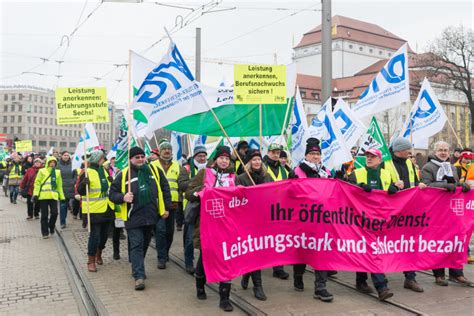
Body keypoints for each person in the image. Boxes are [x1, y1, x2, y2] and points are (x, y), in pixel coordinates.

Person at [109, 147, 171, 290]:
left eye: (142, 156)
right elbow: (112, 193)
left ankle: (137, 267)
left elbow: (165, 188)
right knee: (136, 244)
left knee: (144, 244)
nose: (141, 159)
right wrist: (122, 197)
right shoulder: (123, 174)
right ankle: (139, 276)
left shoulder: (154, 171)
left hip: (151, 216)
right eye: (137, 157)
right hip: (133, 216)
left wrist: (166, 207)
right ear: (131, 159)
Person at [186, 146, 235, 312]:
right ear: (215, 160)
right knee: (206, 256)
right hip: (207, 224)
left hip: (227, 225)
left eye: (227, 158)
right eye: (221, 158)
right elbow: (188, 193)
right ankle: (200, 285)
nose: (224, 161)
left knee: (226, 258)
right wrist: (203, 191)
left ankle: (224, 298)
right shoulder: (205, 173)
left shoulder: (234, 177)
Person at [348, 148, 401, 301]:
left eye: (372, 157)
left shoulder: (386, 173)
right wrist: (358, 188)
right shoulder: (357, 173)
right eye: (367, 157)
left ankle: (361, 281)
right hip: (360, 219)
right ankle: (382, 287)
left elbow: (394, 189)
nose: (369, 159)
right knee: (372, 251)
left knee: (366, 250)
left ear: (379, 159)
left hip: (381, 219)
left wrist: (395, 188)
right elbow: (345, 189)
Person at [421, 141, 474, 286]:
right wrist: (445, 186)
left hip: (452, 212)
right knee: (438, 243)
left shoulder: (451, 167)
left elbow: (454, 184)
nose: (443, 152)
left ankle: (457, 273)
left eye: (445, 150)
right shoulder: (428, 167)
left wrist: (461, 186)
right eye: (440, 150)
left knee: (455, 242)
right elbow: (427, 185)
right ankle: (439, 275)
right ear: (435, 151)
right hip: (436, 212)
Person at [289, 138, 334, 302]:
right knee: (303, 250)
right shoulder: (298, 171)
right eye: (312, 154)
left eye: (317, 154)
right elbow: (291, 194)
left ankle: (320, 287)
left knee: (322, 251)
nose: (315, 157)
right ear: (306, 155)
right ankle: (298, 275)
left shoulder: (326, 172)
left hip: (324, 219)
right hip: (304, 219)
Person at [385, 137, 427, 293]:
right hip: (390, 210)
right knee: (385, 243)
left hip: (408, 210)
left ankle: (410, 278)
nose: (411, 152)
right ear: (400, 150)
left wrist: (418, 185)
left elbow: (413, 182)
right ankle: (380, 276)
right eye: (408, 149)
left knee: (409, 243)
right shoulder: (386, 163)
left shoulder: (409, 163)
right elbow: (383, 184)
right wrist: (392, 187)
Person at [235, 149, 272, 301]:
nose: (257, 162)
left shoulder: (267, 177)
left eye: (259, 159)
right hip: (247, 221)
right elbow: (237, 198)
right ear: (248, 163)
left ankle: (246, 274)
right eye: (254, 160)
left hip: (263, 220)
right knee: (253, 252)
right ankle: (258, 286)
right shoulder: (241, 178)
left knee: (259, 253)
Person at [152, 139, 188, 269]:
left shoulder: (179, 166)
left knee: (169, 231)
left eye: (169, 149)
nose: (167, 151)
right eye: (164, 149)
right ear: (160, 151)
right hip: (157, 204)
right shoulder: (152, 165)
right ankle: (161, 258)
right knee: (160, 230)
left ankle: (165, 252)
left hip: (172, 204)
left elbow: (183, 183)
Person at [179, 145, 208, 274]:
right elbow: (182, 184)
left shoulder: (210, 169)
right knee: (190, 238)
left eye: (204, 156)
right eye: (199, 156)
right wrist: (197, 182)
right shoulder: (186, 168)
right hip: (192, 208)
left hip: (206, 208)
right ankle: (189, 262)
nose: (202, 158)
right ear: (195, 157)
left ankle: (205, 264)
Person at [263, 142, 290, 280]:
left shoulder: (284, 170)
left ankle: (278, 267)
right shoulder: (262, 166)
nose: (276, 155)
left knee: (278, 238)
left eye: (278, 153)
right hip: (264, 208)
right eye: (273, 152)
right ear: (268, 153)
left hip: (280, 209)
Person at [33, 156, 65, 239]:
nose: (52, 164)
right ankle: (45, 232)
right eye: (51, 162)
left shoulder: (58, 172)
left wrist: (62, 197)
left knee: (55, 213)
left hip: (53, 196)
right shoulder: (42, 171)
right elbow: (37, 183)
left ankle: (51, 226)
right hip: (43, 197)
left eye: (54, 162)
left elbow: (59, 186)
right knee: (44, 215)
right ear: (48, 162)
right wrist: (36, 194)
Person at [58, 151, 75, 229]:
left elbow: (76, 174)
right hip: (61, 188)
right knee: (62, 205)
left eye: (68, 155)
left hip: (70, 188)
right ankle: (62, 222)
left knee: (66, 205)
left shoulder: (73, 164)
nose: (66, 156)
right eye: (65, 155)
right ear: (61, 156)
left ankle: (63, 218)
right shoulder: (58, 165)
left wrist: (73, 181)